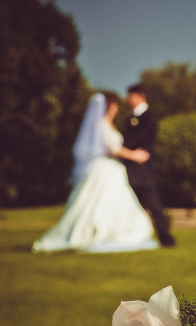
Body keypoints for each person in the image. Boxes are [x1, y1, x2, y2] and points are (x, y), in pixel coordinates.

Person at [32, 92, 158, 253]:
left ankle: (107, 231)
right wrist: (134, 155)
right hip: (105, 170)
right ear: (109, 107)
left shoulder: (106, 125)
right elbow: (113, 148)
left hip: (112, 170)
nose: (117, 108)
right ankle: (97, 232)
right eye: (114, 105)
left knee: (110, 203)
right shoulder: (101, 125)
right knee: (100, 202)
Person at [122, 83, 176, 247]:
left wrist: (121, 148)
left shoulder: (149, 118)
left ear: (139, 97)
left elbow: (135, 140)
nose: (127, 100)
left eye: (130, 96)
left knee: (154, 206)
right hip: (128, 168)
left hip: (143, 171)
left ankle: (165, 238)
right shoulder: (130, 119)